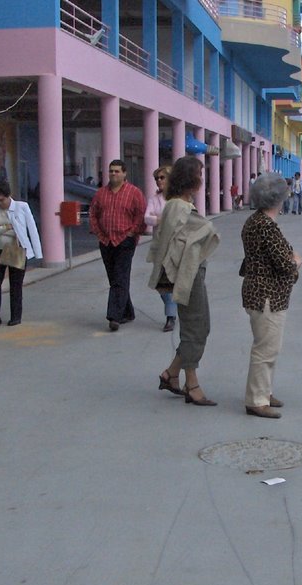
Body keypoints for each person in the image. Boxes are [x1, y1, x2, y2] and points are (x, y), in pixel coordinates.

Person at [148, 156, 221, 406]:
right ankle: (192, 383)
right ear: (192, 179)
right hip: (186, 274)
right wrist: (204, 229)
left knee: (198, 325)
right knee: (197, 326)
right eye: (200, 174)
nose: (202, 179)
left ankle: (171, 373)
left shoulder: (174, 204)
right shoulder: (179, 207)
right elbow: (198, 233)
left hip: (188, 272)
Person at [240, 173, 302, 419]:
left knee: (268, 346)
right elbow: (284, 264)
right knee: (266, 348)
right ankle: (256, 400)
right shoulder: (267, 227)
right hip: (268, 295)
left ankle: (264, 391)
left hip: (258, 291)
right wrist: (296, 261)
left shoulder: (254, 221)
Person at [88, 159, 147, 331]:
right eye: (111, 171)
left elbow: (140, 214)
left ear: (124, 173)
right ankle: (127, 311)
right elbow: (93, 214)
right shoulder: (100, 193)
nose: (113, 174)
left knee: (120, 276)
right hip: (106, 241)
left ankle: (114, 316)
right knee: (114, 277)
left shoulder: (134, 193)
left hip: (125, 241)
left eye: (117, 171)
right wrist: (99, 233)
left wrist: (132, 232)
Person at [0, 180, 43, 327]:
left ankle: (16, 316)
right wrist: (7, 227)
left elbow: (30, 230)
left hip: (16, 249)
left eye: (1, 200)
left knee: (16, 284)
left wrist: (37, 252)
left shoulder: (22, 207)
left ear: (9, 196)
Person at [144, 165, 177, 332]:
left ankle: (170, 316)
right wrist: (159, 220)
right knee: (159, 282)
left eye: (162, 177)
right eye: (157, 178)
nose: (159, 181)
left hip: (176, 245)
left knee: (171, 280)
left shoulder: (177, 199)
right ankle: (173, 307)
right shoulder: (154, 199)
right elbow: (147, 218)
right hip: (159, 246)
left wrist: (159, 218)